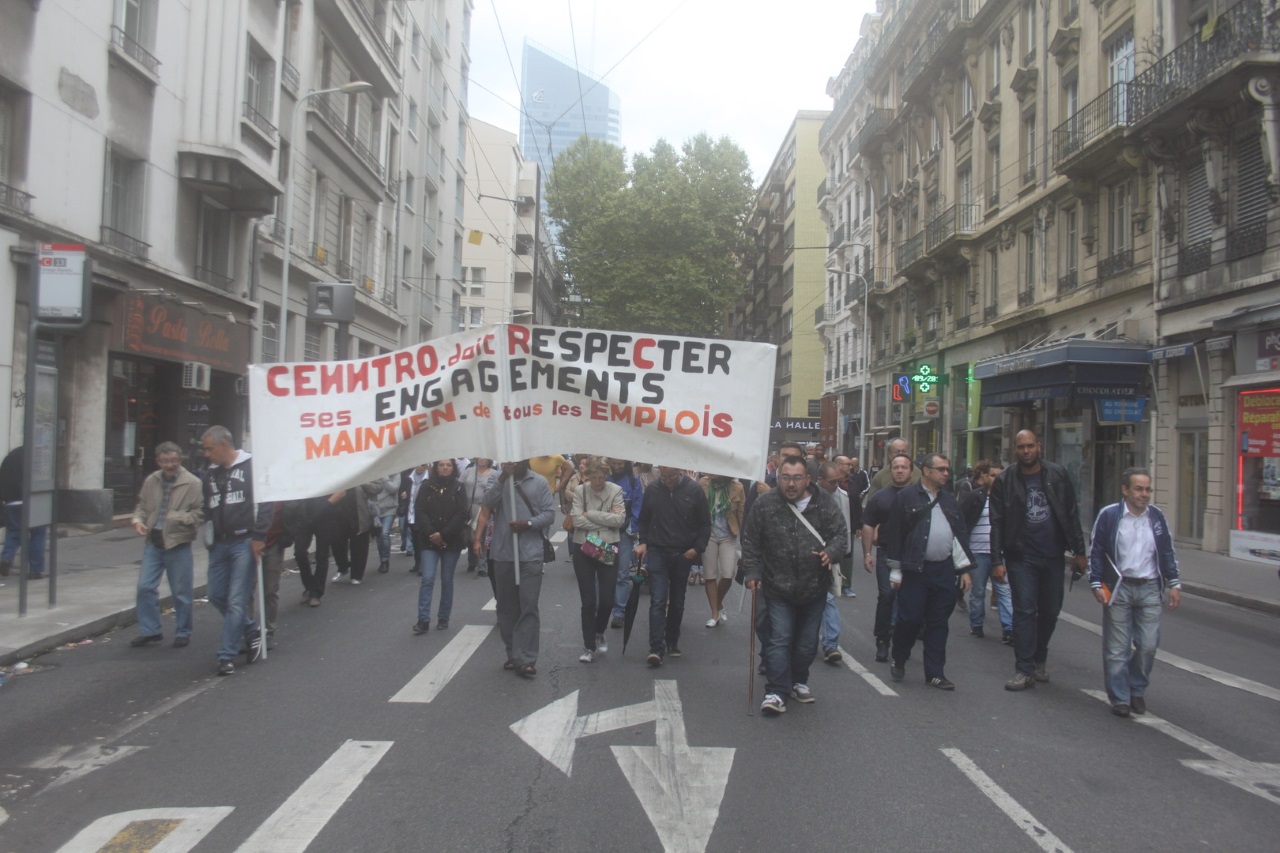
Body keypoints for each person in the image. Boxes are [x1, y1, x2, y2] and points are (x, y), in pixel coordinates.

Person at [742, 457, 847, 716]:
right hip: (777, 586)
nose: (790, 484)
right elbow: (751, 540)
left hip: (813, 587)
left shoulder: (825, 504)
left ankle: (799, 680)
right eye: (785, 478)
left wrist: (830, 553)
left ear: (808, 479)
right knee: (779, 638)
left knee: (806, 642)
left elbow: (840, 535)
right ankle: (776, 691)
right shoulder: (765, 504)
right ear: (778, 479)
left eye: (796, 478)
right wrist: (752, 572)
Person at [990, 429, 1088, 692]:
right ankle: (1023, 669)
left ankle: (1038, 657)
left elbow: (1070, 513)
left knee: (1050, 611)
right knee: (1024, 610)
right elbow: (997, 522)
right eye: (1021, 447)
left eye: (1030, 446)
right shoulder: (1005, 480)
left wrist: (1080, 551)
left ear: (1039, 447)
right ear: (1015, 450)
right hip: (1021, 555)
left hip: (1053, 555)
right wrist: (996, 560)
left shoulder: (1056, 474)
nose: (1026, 451)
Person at [1088, 468, 1182, 717]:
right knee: (1117, 648)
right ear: (1125, 490)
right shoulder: (1109, 516)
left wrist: (1174, 583)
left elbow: (1167, 551)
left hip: (1150, 587)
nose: (1144, 494)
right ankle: (1120, 697)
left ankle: (1136, 688)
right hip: (1119, 588)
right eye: (1139, 489)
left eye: (1148, 489)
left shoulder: (1157, 518)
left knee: (1148, 645)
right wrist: (1097, 583)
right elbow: (1097, 550)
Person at [882, 453, 973, 690]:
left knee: (938, 622)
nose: (946, 474)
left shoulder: (950, 500)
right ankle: (900, 657)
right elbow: (895, 534)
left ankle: (935, 672)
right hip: (915, 570)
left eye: (947, 470)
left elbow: (959, 535)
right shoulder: (906, 497)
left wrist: (963, 569)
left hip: (942, 570)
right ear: (926, 471)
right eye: (941, 469)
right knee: (909, 619)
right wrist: (896, 570)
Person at [200, 426, 271, 676]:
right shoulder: (210, 475)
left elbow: (265, 502)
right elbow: (207, 506)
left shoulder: (251, 466)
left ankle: (226, 655)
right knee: (215, 594)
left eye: (210, 448)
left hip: (244, 541)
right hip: (219, 543)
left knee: (236, 599)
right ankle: (252, 631)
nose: (207, 454)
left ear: (224, 445)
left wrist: (260, 536)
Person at [479, 460, 555, 676]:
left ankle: (527, 658)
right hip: (503, 554)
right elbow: (488, 502)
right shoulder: (497, 479)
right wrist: (503, 477)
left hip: (530, 555)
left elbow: (549, 514)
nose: (515, 463)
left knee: (529, 605)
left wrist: (528, 524)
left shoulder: (539, 482)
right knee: (506, 607)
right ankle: (513, 652)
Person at [129, 442, 203, 648]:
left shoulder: (193, 483)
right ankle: (151, 630)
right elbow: (142, 506)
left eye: (173, 460)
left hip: (178, 541)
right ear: (158, 461)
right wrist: (137, 520)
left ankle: (183, 631)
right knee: (145, 587)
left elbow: (200, 513)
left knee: (181, 591)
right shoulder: (152, 480)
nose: (169, 465)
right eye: (164, 461)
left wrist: (176, 517)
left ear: (180, 460)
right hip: (154, 540)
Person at [635, 465, 711, 666]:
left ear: (680, 472)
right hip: (658, 551)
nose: (668, 480)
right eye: (664, 476)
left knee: (677, 600)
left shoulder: (694, 490)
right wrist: (643, 541)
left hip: (683, 552)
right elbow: (643, 519)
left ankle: (672, 640)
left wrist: (697, 548)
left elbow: (705, 523)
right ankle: (656, 648)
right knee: (658, 600)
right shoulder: (653, 489)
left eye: (672, 476)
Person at [570, 458, 625, 662]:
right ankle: (588, 646)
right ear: (587, 476)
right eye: (593, 477)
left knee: (607, 599)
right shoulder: (580, 491)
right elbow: (577, 520)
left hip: (608, 547)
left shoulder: (615, 490)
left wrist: (590, 514)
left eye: (601, 477)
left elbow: (619, 521)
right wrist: (604, 521)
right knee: (588, 601)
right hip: (583, 547)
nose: (597, 482)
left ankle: (600, 630)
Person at [861, 454, 915, 662]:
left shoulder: (920, 496)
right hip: (886, 552)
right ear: (890, 470)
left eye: (904, 467)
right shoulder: (881, 497)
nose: (900, 471)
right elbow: (868, 524)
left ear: (911, 471)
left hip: (913, 555)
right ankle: (882, 641)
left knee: (909, 600)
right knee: (887, 595)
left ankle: (902, 641)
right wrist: (867, 553)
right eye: (896, 467)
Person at [412, 459, 469, 634]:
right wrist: (432, 533)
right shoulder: (426, 486)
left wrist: (443, 534)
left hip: (451, 540)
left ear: (453, 468)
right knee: (428, 578)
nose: (445, 468)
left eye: (448, 465)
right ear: (436, 468)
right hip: (429, 540)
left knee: (446, 579)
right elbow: (419, 510)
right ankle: (423, 619)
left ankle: (443, 617)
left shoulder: (459, 487)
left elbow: (461, 514)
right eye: (441, 465)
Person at [959, 461, 1012, 643]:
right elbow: (962, 524)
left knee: (1004, 590)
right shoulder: (974, 497)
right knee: (978, 591)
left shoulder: (1008, 499)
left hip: (1000, 554)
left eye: (1000, 476)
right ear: (985, 477)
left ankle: (1009, 628)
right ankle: (977, 625)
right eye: (992, 475)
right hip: (978, 552)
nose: (996, 479)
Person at [817, 461, 853, 664]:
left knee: (829, 599)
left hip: (831, 555)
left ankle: (831, 644)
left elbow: (845, 527)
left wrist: (841, 552)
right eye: (832, 482)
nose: (836, 485)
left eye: (839, 481)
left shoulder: (842, 497)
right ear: (821, 480)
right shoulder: (807, 495)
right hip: (809, 554)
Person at [699, 473, 744, 627]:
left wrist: (745, 542)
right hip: (708, 535)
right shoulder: (703, 484)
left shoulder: (737, 487)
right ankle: (714, 614)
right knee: (710, 575)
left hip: (728, 535)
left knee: (728, 574)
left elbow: (741, 514)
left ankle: (718, 603)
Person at [0, 446, 47, 579]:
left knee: (14, 532)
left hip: (10, 502)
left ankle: (6, 558)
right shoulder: (38, 456)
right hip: (31, 500)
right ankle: (36, 570)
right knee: (38, 532)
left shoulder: (12, 456)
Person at [608, 458, 645, 628]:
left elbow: (638, 506)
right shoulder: (604, 478)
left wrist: (633, 528)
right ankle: (601, 608)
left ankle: (619, 612)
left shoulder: (633, 480)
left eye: (620, 464)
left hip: (624, 534)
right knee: (604, 572)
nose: (617, 467)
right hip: (604, 534)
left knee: (622, 574)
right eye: (614, 464)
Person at [459, 458, 498, 574]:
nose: (481, 459)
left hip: (485, 509)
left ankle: (482, 565)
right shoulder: (468, 471)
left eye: (484, 457)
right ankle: (472, 561)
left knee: (483, 536)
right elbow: (459, 486)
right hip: (468, 508)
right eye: (479, 457)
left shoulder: (495, 474)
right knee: (471, 535)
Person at [371, 473, 401, 573]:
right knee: (379, 536)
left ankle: (385, 560)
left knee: (385, 533)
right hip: (376, 509)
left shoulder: (396, 474)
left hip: (390, 508)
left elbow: (393, 489)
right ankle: (382, 559)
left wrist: (384, 478)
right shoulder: (374, 474)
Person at [403, 464, 428, 573]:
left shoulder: (429, 479)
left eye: (422, 465)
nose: (419, 467)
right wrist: (404, 495)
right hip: (411, 514)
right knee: (415, 541)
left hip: (424, 515)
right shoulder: (409, 478)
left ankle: (423, 564)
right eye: (418, 464)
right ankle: (417, 563)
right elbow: (403, 492)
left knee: (422, 540)